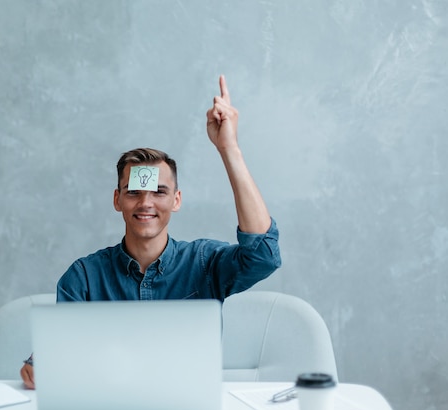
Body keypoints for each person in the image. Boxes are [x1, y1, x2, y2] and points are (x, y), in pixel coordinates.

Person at [20, 75, 281, 389]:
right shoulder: (84, 277)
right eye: (134, 192)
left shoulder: (204, 263)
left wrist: (229, 149)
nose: (145, 203)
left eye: (158, 192)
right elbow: (60, 352)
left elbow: (263, 255)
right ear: (118, 200)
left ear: (176, 200)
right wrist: (43, 362)